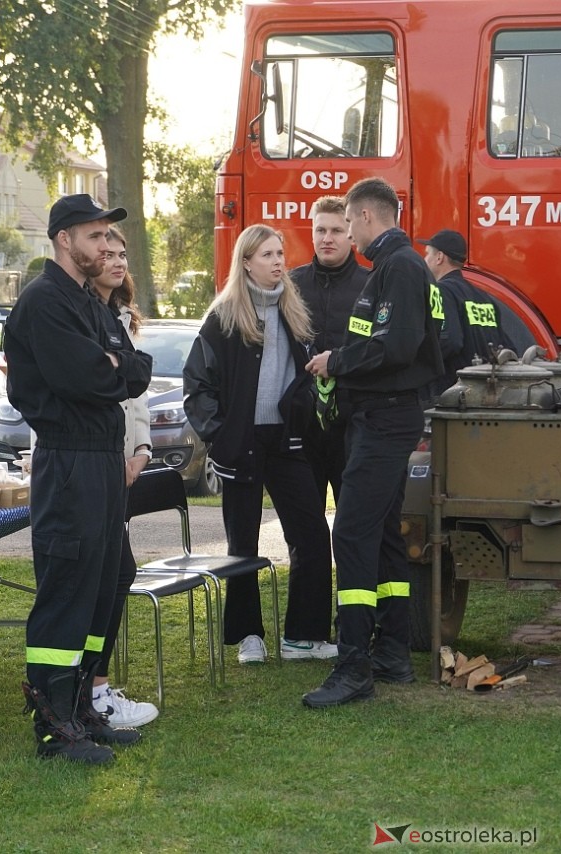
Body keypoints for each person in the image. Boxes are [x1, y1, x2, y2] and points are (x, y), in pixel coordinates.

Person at [3, 193, 152, 764]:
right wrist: (112, 368)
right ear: (65, 239)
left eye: (109, 238)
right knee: (68, 586)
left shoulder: (88, 301)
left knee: (110, 576)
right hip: (68, 459)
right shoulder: (45, 302)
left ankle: (82, 705)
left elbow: (132, 369)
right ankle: (52, 723)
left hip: (102, 454)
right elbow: (88, 377)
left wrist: (115, 367)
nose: (107, 246)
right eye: (96, 237)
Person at [303, 177, 444, 708]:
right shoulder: (395, 268)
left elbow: (398, 345)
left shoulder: (399, 268)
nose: (348, 238)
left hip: (386, 418)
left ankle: (353, 665)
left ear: (365, 217)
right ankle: (392, 653)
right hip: (379, 417)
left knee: (354, 533)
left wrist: (335, 361)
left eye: (349, 225)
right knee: (383, 534)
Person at [183, 224, 336, 665]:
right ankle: (249, 635)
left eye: (280, 253)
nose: (277, 261)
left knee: (310, 533)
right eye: (267, 254)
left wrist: (304, 410)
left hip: (287, 441)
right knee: (242, 543)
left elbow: (306, 376)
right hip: (241, 444)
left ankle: (303, 636)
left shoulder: (294, 311)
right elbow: (197, 385)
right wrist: (221, 435)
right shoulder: (224, 317)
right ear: (245, 261)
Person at [86, 224, 159, 728]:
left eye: (121, 254)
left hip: (121, 461)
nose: (114, 261)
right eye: (105, 252)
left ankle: (94, 686)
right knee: (101, 576)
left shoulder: (123, 319)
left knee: (118, 573)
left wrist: (141, 447)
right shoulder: (77, 314)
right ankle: (90, 689)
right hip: (86, 461)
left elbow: (137, 395)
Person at [290, 195, 368, 508]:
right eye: (320, 230)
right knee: (304, 525)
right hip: (303, 424)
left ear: (350, 233)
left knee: (352, 519)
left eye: (336, 230)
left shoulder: (371, 285)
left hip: (354, 423)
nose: (327, 238)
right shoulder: (291, 286)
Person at [420, 228, 534, 392]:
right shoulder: (484, 298)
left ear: (439, 257)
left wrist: (419, 365)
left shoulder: (440, 292)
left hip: (453, 393)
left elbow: (449, 342)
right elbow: (508, 349)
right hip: (485, 392)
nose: (425, 260)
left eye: (427, 254)